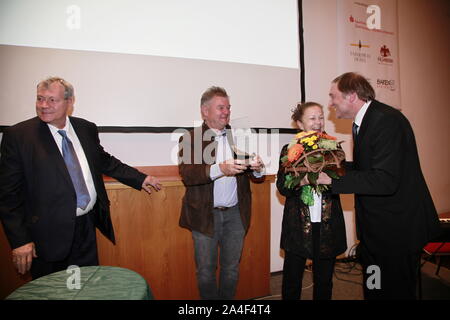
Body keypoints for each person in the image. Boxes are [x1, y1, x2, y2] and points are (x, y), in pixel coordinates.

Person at [0, 77, 162, 279]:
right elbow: (8, 195)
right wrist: (20, 240)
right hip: (47, 235)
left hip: (85, 227)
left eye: (52, 100)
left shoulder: (85, 128)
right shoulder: (18, 136)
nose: (44, 105)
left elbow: (104, 161)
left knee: (85, 285)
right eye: (40, 99)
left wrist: (140, 178)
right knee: (54, 292)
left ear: (70, 102)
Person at [321, 72, 441, 299]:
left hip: (396, 232)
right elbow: (368, 168)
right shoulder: (367, 121)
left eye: (333, 96)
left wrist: (333, 180)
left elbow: (385, 180)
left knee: (394, 292)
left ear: (351, 96)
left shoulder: (386, 120)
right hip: (376, 233)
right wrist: (335, 166)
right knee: (375, 286)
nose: (330, 103)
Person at [178, 86, 264, 300]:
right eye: (220, 107)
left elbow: (254, 174)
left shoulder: (239, 136)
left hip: (236, 214)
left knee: (231, 269)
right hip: (205, 216)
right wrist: (220, 169)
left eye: (228, 107)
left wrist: (259, 168)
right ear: (204, 111)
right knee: (206, 272)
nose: (226, 112)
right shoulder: (190, 138)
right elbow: (188, 175)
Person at [276, 102, 347, 300]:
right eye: (312, 118)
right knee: (292, 279)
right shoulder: (289, 150)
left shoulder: (334, 147)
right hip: (297, 224)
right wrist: (304, 180)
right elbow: (282, 186)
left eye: (321, 117)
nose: (318, 122)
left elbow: (343, 180)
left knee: (324, 280)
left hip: (327, 223)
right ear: (300, 123)